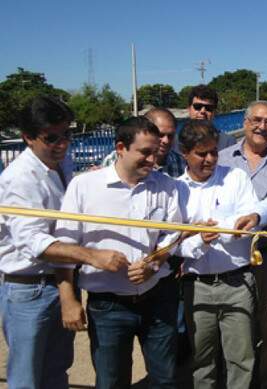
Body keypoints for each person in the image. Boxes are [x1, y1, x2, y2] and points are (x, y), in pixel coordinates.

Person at [0, 96, 128, 389]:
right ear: (27, 138)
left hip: (58, 282)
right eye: (52, 138)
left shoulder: (62, 162)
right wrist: (91, 256)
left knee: (57, 370)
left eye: (67, 135)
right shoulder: (19, 179)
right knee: (26, 376)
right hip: (28, 287)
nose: (62, 144)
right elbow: (35, 242)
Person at [55, 116, 183, 387]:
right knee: (111, 381)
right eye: (145, 152)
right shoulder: (84, 187)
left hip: (158, 300)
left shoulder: (166, 187)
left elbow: (174, 234)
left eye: (155, 152)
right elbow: (63, 246)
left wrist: (155, 261)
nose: (152, 159)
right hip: (108, 306)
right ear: (121, 148)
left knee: (165, 379)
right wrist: (68, 299)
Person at [218, 100, 267, 389]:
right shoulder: (222, 158)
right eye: (256, 120)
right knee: (233, 330)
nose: (261, 126)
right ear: (244, 121)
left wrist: (257, 217)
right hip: (227, 259)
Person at [174, 119, 259, 388]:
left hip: (237, 283)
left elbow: (248, 221)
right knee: (202, 360)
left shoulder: (236, 178)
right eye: (202, 153)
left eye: (213, 151)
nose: (210, 159)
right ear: (184, 152)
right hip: (197, 286)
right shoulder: (175, 189)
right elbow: (174, 244)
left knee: (241, 359)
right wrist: (199, 240)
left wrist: (225, 229)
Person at [102, 108, 186, 177]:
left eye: (170, 136)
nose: (166, 141)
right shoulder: (115, 160)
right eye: (160, 135)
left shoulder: (180, 162)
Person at [187, 84, 236, 150]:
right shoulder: (174, 142)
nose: (203, 111)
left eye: (208, 108)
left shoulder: (227, 142)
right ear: (189, 109)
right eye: (197, 106)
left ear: (214, 112)